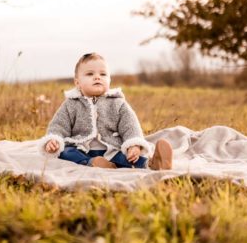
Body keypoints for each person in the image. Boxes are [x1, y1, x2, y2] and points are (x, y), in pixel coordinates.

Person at [39, 52, 173, 170]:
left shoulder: (117, 103)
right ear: (77, 83)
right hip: (80, 149)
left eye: (103, 74)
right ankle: (92, 163)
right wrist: (54, 140)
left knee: (128, 157)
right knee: (65, 152)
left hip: (111, 150)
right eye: (90, 74)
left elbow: (130, 126)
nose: (97, 77)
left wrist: (134, 145)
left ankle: (152, 164)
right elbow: (58, 125)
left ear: (109, 80)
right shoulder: (71, 104)